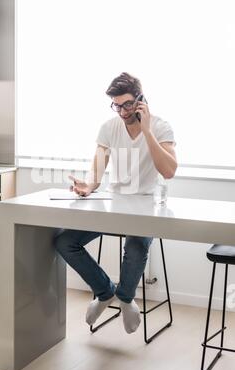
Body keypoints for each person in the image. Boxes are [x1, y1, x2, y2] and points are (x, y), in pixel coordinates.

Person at [54, 72, 177, 334]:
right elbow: (97, 170)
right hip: (114, 203)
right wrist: (88, 185)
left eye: (127, 104)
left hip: (146, 205)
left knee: (135, 245)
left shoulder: (161, 127)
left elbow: (168, 171)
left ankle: (124, 299)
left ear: (141, 100)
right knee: (64, 241)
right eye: (117, 105)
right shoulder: (109, 128)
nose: (122, 111)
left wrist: (146, 130)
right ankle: (105, 292)